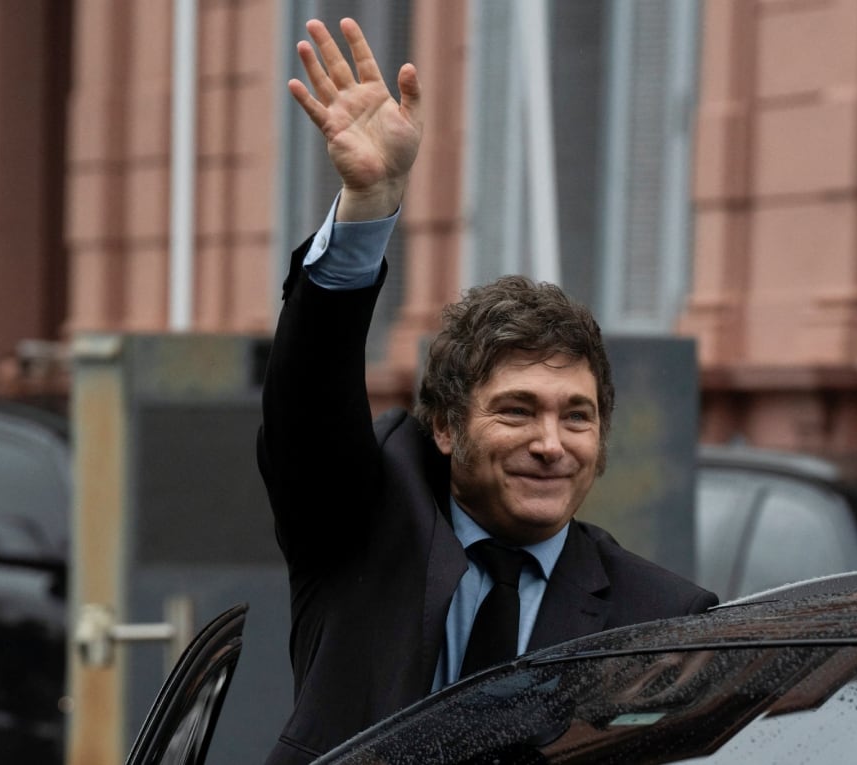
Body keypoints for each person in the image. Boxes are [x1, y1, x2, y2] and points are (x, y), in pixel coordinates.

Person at [256, 18, 718, 763]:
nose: (551, 443)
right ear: (445, 426)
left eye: (578, 416)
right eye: (517, 409)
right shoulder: (364, 525)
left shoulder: (661, 620)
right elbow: (307, 411)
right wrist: (368, 205)